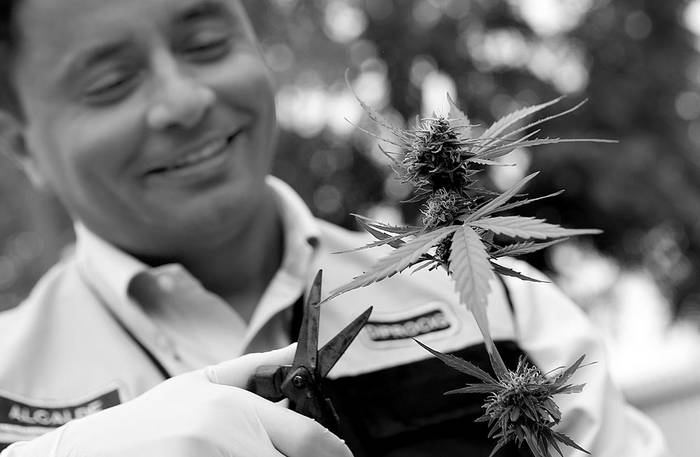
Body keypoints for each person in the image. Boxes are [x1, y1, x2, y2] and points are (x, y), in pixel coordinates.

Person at [0, 0, 671, 456]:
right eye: (111, 81)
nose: (185, 100)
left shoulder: (501, 304)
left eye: (206, 44)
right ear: (22, 144)